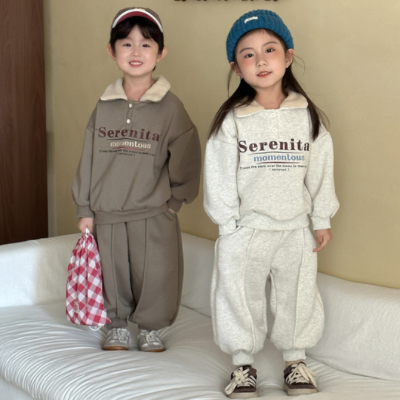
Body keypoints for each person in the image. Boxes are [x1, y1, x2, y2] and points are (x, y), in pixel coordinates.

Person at [203, 9, 339, 398]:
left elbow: (320, 171)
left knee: (298, 296)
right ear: (236, 67)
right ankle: (242, 365)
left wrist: (321, 218)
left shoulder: (308, 118)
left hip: (295, 230)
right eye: (247, 54)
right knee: (237, 296)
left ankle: (295, 362)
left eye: (269, 49)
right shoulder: (232, 120)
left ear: (288, 56)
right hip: (246, 230)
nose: (260, 61)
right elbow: (218, 174)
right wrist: (228, 226)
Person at [72, 7, 201, 353]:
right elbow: (88, 158)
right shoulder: (103, 106)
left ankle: (150, 328)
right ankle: (116, 326)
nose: (136, 52)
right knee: (111, 273)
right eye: (126, 43)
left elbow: (187, 155)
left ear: (161, 53)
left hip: (154, 213)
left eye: (146, 44)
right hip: (107, 213)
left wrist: (174, 202)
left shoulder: (171, 108)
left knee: (156, 273)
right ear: (111, 50)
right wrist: (85, 207)